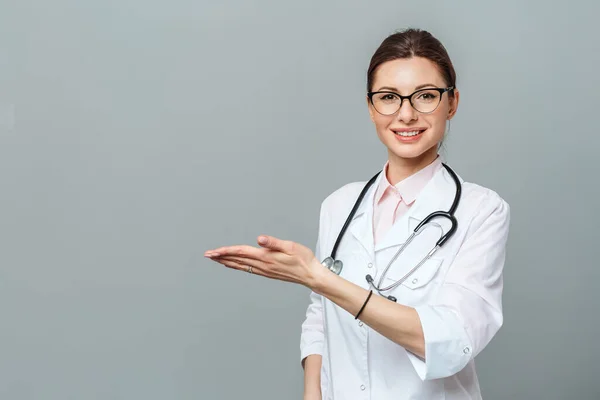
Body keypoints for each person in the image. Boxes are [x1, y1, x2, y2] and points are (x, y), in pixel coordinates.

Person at [205, 28, 510, 400]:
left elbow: (451, 339)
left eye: (426, 96)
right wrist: (312, 394)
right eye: (388, 98)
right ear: (370, 107)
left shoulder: (482, 211)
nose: (406, 114)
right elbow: (321, 317)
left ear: (452, 103)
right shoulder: (339, 205)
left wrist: (320, 279)